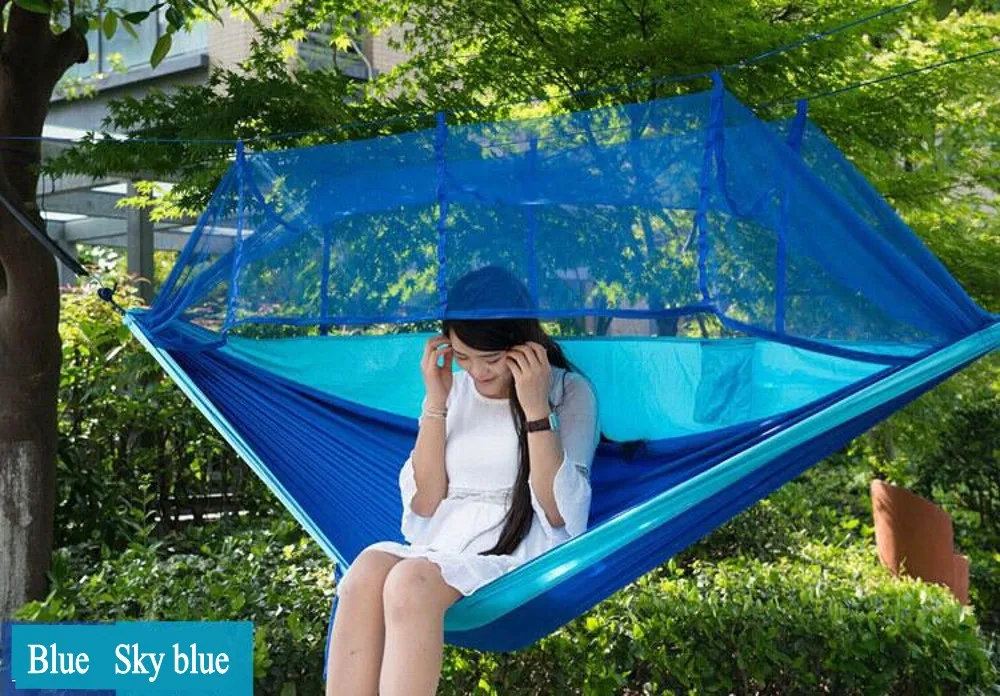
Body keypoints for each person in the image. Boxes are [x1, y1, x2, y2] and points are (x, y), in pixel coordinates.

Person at [324, 266, 601, 696]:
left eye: (490, 360)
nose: (477, 373)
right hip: (443, 547)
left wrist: (535, 408)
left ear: (522, 344)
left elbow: (559, 512)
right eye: (463, 357)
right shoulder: (453, 388)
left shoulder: (568, 391)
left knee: (408, 583)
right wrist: (436, 400)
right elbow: (425, 502)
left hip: (518, 558)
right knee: (364, 572)